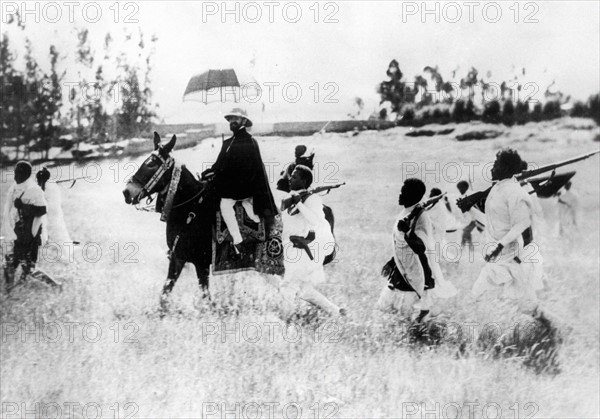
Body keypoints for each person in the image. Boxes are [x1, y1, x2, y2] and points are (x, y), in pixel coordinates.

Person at [472, 149, 545, 315]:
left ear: (505, 168)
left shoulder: (516, 192)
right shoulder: (496, 190)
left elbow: (523, 224)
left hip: (515, 259)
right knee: (478, 293)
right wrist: (470, 210)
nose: (491, 168)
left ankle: (558, 331)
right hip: (500, 258)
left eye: (496, 165)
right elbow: (491, 223)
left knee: (528, 307)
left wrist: (499, 246)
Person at [377, 178, 457, 321]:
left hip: (415, 268)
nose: (399, 195)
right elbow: (400, 243)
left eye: (403, 192)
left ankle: (423, 328)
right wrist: (392, 261)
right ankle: (421, 322)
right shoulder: (406, 211)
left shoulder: (422, 218)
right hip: (403, 265)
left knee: (405, 313)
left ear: (412, 196)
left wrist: (408, 233)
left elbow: (420, 247)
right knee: (387, 306)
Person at [203, 109, 278, 255]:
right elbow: (219, 165)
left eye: (235, 119)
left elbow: (249, 169)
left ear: (244, 121)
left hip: (244, 186)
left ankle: (238, 241)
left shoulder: (249, 141)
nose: (232, 122)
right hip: (230, 184)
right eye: (230, 119)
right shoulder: (228, 142)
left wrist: (223, 178)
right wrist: (208, 173)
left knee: (225, 205)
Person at [279, 165, 343, 316]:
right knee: (306, 291)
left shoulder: (312, 198)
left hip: (301, 251)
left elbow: (315, 220)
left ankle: (284, 320)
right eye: (291, 176)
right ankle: (336, 312)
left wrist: (300, 203)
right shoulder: (293, 197)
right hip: (292, 249)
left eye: (295, 177)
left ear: (304, 181)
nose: (290, 179)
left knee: (288, 286)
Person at [2, 161, 50, 289]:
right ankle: (9, 291)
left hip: (30, 234)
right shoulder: (16, 187)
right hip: (18, 232)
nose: (15, 175)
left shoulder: (34, 190)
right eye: (15, 172)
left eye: (18, 173)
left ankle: (56, 286)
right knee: (10, 263)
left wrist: (23, 206)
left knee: (29, 268)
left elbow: (42, 210)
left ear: (26, 174)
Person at [456, 180, 484, 251]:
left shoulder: (469, 195)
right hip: (467, 220)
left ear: (466, 188)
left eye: (461, 188)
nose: (460, 190)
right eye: (459, 188)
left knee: (465, 233)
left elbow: (476, 207)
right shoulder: (461, 196)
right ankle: (471, 252)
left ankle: (461, 251)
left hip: (473, 219)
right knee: (467, 237)